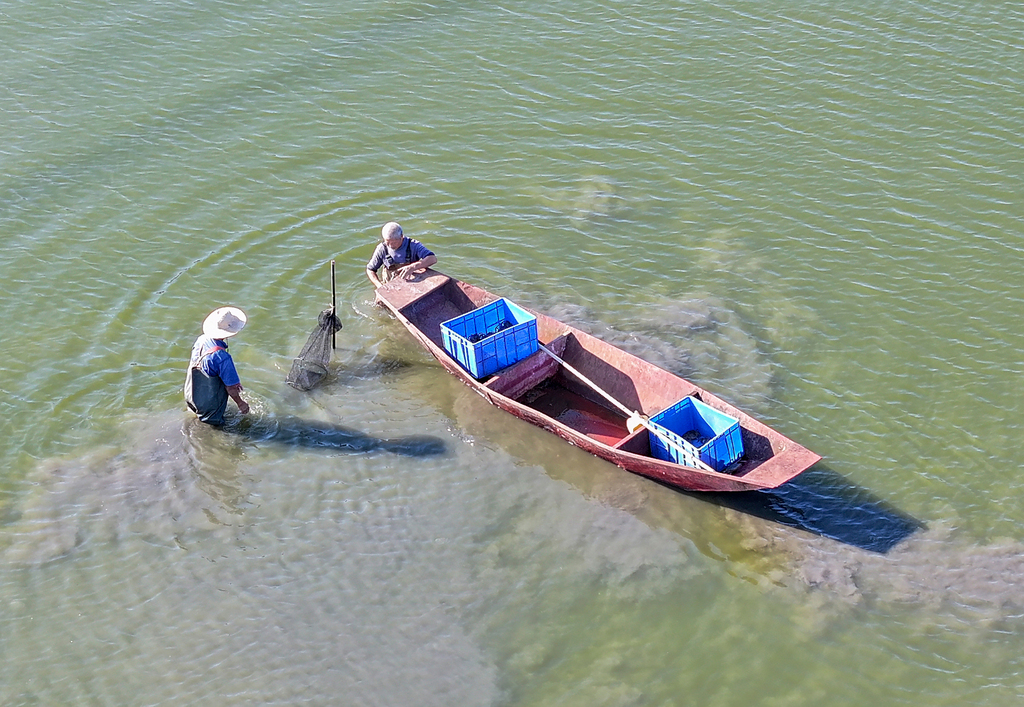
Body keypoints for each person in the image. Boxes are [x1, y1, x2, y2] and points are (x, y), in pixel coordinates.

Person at [184, 306, 251, 425]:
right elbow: (231, 388)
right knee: (212, 427)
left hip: (191, 392)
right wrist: (241, 403)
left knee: (194, 416)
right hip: (208, 404)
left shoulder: (201, 339)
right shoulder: (222, 357)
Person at [365, 221, 437, 288]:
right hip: (390, 286)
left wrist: (412, 267)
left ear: (402, 237)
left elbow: (432, 258)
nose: (390, 245)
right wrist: (379, 286)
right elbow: (370, 270)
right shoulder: (382, 249)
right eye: (387, 242)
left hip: (412, 285)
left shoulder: (413, 245)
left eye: (394, 242)